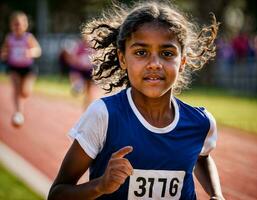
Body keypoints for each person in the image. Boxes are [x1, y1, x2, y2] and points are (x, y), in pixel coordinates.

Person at [48, 1, 225, 200]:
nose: (154, 64)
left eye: (167, 54)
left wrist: (216, 194)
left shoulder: (200, 122)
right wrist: (100, 186)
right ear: (123, 58)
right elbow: (57, 194)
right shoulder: (105, 115)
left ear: (182, 61)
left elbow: (202, 157)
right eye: (141, 53)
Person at [0, 11, 41, 127]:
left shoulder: (28, 37)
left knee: (25, 92)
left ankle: (20, 106)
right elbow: (5, 50)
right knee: (16, 89)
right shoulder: (9, 38)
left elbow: (38, 50)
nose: (17, 26)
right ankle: (18, 113)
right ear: (11, 25)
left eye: (20, 24)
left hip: (28, 69)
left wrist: (30, 52)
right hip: (14, 67)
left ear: (25, 25)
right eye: (15, 24)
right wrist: (4, 54)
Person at [63, 36, 97, 108]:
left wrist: (90, 63)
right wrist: (78, 61)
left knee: (89, 92)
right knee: (74, 73)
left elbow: (97, 60)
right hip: (79, 69)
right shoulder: (79, 46)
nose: (87, 41)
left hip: (89, 70)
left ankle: (87, 106)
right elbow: (72, 58)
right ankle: (78, 85)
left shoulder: (93, 48)